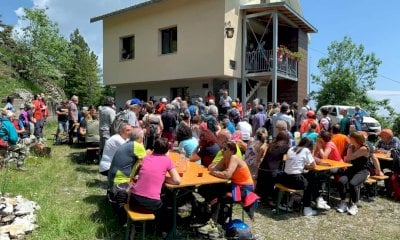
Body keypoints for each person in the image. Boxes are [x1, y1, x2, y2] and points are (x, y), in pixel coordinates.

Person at [279, 137, 329, 216]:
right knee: (310, 183)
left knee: (308, 178)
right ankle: (308, 208)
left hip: (285, 179)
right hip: (295, 180)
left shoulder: (292, 148)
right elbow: (313, 166)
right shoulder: (306, 150)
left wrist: (303, 166)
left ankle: (288, 202)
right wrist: (306, 167)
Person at [128, 138, 181, 212]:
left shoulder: (145, 158)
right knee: (169, 204)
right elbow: (177, 180)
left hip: (133, 201)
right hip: (151, 203)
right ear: (167, 150)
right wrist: (164, 178)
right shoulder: (167, 160)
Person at [336, 132, 371, 215]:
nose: (349, 139)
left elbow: (349, 157)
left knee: (352, 183)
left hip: (362, 171)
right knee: (341, 181)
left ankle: (354, 205)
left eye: (350, 138)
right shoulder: (351, 147)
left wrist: (350, 150)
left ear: (356, 139)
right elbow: (348, 160)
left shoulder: (364, 148)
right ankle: (343, 202)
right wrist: (350, 150)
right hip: (351, 170)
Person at [256, 131, 289, 206]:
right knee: (285, 178)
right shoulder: (284, 147)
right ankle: (275, 199)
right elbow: (288, 157)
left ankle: (264, 198)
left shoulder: (271, 145)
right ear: (285, 140)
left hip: (262, 170)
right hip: (271, 172)